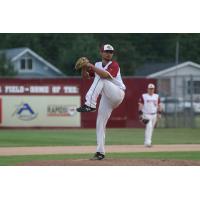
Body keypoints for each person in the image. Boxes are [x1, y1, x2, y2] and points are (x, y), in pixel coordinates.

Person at [76, 44, 126, 160]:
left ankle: (90, 104)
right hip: (106, 97)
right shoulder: (98, 65)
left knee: (101, 77)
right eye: (107, 51)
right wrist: (84, 68)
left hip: (117, 93)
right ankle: (100, 152)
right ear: (101, 53)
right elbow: (86, 77)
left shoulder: (114, 64)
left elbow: (104, 75)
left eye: (111, 52)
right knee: (100, 123)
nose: (109, 53)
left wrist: (90, 65)